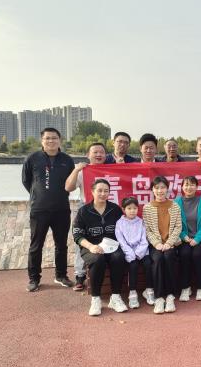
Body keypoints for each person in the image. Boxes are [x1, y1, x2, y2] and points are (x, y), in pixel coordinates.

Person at [22, 127, 75, 292]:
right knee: (36, 245)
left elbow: (71, 183)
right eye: (48, 138)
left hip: (61, 209)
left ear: (60, 140)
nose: (51, 141)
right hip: (39, 210)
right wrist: (38, 195)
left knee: (61, 245)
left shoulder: (67, 160)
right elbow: (26, 181)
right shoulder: (32, 158)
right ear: (42, 140)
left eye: (54, 138)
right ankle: (34, 279)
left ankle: (61, 275)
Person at [72, 178, 127, 316]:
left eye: (106, 191)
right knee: (98, 259)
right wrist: (91, 246)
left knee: (119, 257)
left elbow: (124, 228)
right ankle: (95, 299)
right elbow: (77, 235)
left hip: (112, 246)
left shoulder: (115, 209)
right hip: (91, 247)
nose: (103, 194)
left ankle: (115, 297)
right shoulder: (84, 211)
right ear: (92, 191)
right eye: (99, 190)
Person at [64, 142, 106, 291]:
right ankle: (80, 275)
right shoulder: (84, 171)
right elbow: (68, 187)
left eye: (101, 152)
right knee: (82, 241)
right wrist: (76, 170)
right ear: (88, 155)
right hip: (87, 209)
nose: (98, 155)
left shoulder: (111, 170)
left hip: (106, 209)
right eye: (95, 152)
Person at [142, 176, 183, 314]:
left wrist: (169, 243)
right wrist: (157, 243)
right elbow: (147, 229)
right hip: (156, 245)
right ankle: (159, 297)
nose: (160, 191)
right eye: (157, 188)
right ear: (153, 190)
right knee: (158, 259)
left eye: (163, 187)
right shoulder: (147, 208)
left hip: (171, 243)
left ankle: (170, 296)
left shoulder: (175, 206)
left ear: (167, 189)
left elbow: (178, 227)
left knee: (169, 257)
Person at [175, 176, 201, 302]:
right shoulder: (176, 202)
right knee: (184, 254)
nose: (189, 187)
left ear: (196, 187)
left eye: (192, 185)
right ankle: (186, 287)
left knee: (196, 254)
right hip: (185, 239)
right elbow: (174, 222)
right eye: (186, 184)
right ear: (182, 187)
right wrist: (183, 236)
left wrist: (197, 238)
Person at [115, 196, 150, 309]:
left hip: (142, 251)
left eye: (135, 208)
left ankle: (149, 290)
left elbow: (144, 240)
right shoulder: (119, 223)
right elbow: (121, 241)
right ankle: (132, 292)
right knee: (133, 266)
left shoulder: (141, 222)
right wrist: (130, 254)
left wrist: (139, 252)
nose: (132, 211)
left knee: (148, 264)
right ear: (123, 209)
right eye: (129, 208)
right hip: (128, 252)